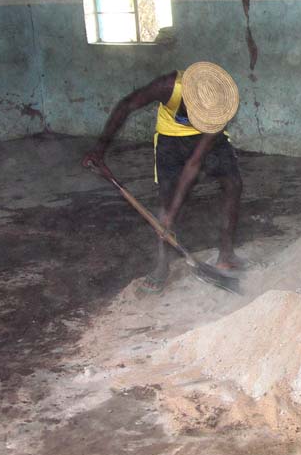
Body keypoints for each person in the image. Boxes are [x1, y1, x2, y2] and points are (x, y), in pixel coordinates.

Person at [82, 61, 243, 292]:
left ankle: (226, 254)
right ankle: (162, 265)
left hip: (209, 142)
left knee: (233, 184)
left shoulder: (220, 107)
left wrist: (173, 212)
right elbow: (127, 105)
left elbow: (194, 164)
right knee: (166, 201)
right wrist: (100, 149)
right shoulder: (168, 86)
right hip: (171, 139)